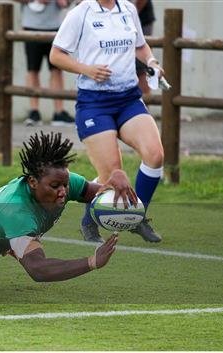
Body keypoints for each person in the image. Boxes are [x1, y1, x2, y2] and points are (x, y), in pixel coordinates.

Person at [0, 132, 136, 284]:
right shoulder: (16, 212)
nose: (64, 191)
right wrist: (92, 262)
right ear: (32, 182)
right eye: (56, 186)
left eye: (65, 184)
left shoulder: (63, 182)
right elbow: (38, 269)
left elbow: (92, 193)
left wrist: (113, 182)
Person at [49, 0, 165, 243]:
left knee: (155, 155)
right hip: (94, 103)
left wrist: (152, 62)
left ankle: (137, 216)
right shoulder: (81, 13)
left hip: (129, 99)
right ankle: (88, 221)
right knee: (112, 174)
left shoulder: (128, 9)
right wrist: (87, 69)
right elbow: (56, 55)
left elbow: (141, 46)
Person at [15, 0, 75, 126]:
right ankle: (34, 112)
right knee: (32, 70)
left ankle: (59, 113)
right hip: (31, 27)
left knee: (57, 70)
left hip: (55, 28)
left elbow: (67, 3)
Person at [133, 0, 156, 96]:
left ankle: (145, 103)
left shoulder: (130, 10)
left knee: (141, 67)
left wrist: (132, 15)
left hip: (139, 17)